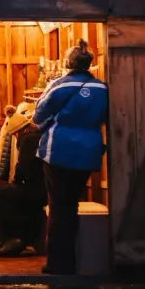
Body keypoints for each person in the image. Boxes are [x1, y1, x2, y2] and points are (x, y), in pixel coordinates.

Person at [32, 39, 108, 275]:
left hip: (58, 150)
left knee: (58, 207)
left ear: (68, 62)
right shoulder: (102, 88)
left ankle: (59, 263)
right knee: (72, 205)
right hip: (88, 152)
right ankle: (76, 259)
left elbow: (38, 116)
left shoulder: (57, 86)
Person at [0, 113, 47, 258]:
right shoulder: (35, 136)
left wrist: (16, 179)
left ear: (18, 130)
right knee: (5, 194)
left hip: (37, 188)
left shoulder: (29, 139)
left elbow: (24, 166)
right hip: (41, 186)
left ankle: (14, 238)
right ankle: (12, 238)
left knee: (2, 196)